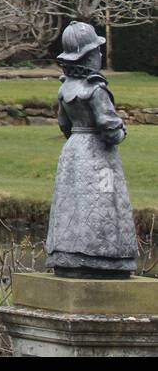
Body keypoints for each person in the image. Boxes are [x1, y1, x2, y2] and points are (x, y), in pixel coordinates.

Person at [44, 21, 139, 278]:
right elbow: (110, 129)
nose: (100, 55)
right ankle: (102, 257)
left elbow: (63, 123)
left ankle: (67, 253)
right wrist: (121, 130)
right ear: (89, 56)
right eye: (97, 51)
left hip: (74, 150)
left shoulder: (66, 88)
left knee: (72, 201)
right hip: (98, 153)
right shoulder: (96, 89)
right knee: (102, 201)